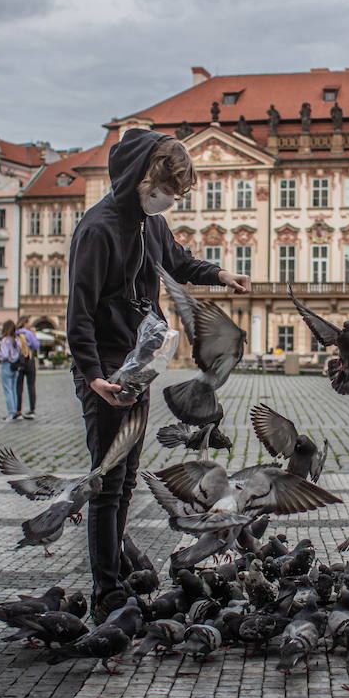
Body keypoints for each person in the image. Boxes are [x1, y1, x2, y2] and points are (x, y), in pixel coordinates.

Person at [67, 128, 249, 622]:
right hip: (107, 373)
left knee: (125, 482)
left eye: (175, 193)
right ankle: (106, 588)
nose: (168, 198)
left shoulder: (153, 226)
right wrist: (93, 376)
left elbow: (180, 261)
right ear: (141, 176)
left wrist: (219, 274)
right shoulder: (98, 228)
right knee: (106, 483)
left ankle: (118, 576)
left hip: (140, 368)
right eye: (165, 188)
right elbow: (78, 313)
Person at [0, 319, 21, 421]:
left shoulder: (5, 340)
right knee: (14, 389)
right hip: (15, 366)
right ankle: (15, 412)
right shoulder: (17, 340)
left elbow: (4, 355)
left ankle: (11, 412)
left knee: (7, 390)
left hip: (6, 366)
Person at [14, 317, 40, 420]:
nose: (29, 324)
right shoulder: (29, 333)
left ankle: (18, 410)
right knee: (31, 386)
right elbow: (36, 346)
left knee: (18, 388)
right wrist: (34, 336)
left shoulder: (15, 333)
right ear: (25, 323)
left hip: (19, 362)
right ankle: (32, 410)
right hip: (29, 361)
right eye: (28, 322)